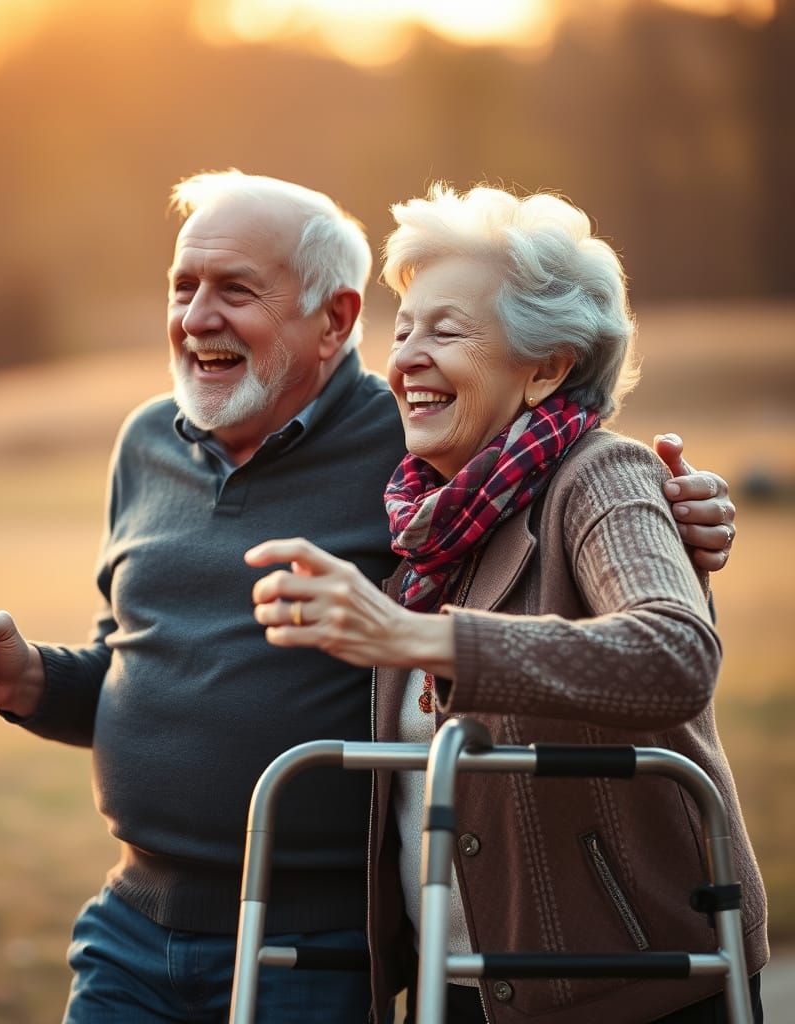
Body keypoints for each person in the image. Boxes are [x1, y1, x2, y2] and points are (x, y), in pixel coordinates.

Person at [0, 172, 738, 1023]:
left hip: (334, 949)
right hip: (147, 927)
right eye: (184, 286)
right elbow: (137, 673)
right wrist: (26, 679)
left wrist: (678, 516)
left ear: (336, 321)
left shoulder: (441, 459)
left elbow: (650, 619)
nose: (197, 316)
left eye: (237, 289)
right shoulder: (387, 490)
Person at [246, 184, 766, 1024]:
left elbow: (674, 655)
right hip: (457, 992)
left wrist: (418, 637)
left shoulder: (601, 475)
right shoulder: (425, 520)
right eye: (404, 329)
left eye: (447, 332)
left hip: (634, 991)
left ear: (547, 368)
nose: (407, 358)